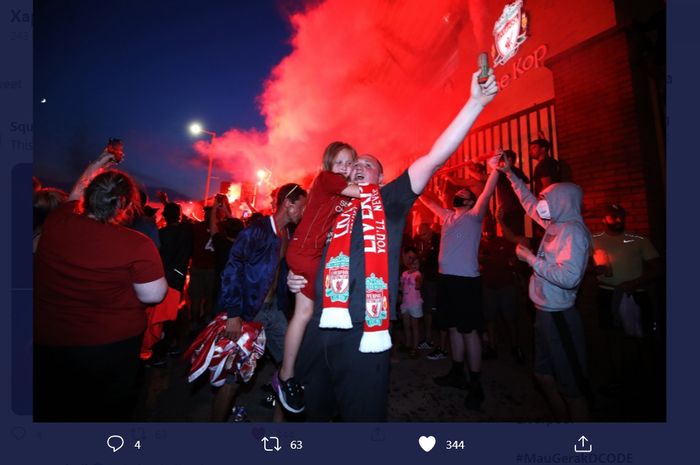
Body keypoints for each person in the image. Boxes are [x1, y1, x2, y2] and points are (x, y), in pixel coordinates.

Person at [287, 66, 499, 421]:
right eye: (355, 165)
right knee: (312, 420)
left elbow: (433, 158)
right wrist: (298, 278)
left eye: (366, 165)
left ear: (381, 177)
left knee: (362, 423)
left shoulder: (390, 200)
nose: (358, 168)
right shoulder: (333, 207)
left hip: (363, 332)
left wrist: (475, 104)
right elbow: (309, 252)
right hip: (318, 328)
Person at [34, 152, 167, 421]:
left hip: (50, 341)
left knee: (55, 408)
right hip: (109, 348)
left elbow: (72, 197)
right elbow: (153, 294)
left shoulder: (58, 220)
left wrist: (93, 166)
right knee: (105, 412)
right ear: (123, 205)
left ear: (89, 196)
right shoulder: (137, 244)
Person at [498, 155, 592, 421]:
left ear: (563, 202)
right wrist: (509, 174)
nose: (542, 205)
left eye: (547, 200)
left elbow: (570, 277)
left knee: (572, 387)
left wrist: (530, 260)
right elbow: (528, 203)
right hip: (543, 312)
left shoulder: (573, 231)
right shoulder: (555, 225)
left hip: (560, 315)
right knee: (543, 375)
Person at [210, 183, 308, 421]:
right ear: (289, 204)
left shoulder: (289, 234)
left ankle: (277, 431)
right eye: (303, 206)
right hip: (248, 313)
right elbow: (232, 270)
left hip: (274, 311)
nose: (305, 211)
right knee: (233, 379)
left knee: (291, 368)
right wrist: (233, 313)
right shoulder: (256, 231)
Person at [274, 141, 360, 413]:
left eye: (350, 162)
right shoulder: (327, 179)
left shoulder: (340, 195)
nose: (345, 167)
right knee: (306, 314)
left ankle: (287, 375)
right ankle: (286, 376)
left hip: (310, 255)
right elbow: (362, 193)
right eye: (340, 162)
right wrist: (382, 186)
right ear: (328, 164)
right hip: (304, 253)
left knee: (306, 314)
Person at [418, 151, 501, 410]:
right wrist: (419, 178)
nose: (457, 194)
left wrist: (495, 168)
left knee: (469, 332)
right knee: (452, 328)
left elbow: (487, 191)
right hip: (447, 281)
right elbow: (425, 199)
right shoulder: (447, 216)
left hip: (466, 282)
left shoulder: (475, 216)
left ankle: (475, 383)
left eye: (462, 194)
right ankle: (457, 372)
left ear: (469, 200)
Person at [591, 203, 661, 393]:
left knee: (640, 336)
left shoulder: (638, 239)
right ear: (604, 219)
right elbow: (581, 267)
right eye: (614, 216)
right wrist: (593, 270)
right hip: (607, 292)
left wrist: (636, 282)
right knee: (611, 337)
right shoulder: (593, 239)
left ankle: (645, 378)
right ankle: (616, 377)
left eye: (621, 216)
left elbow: (657, 267)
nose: (619, 219)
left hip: (635, 293)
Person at [495, 149, 529, 236]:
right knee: (517, 236)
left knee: (510, 237)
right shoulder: (517, 171)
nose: (499, 161)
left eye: (501, 159)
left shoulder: (504, 171)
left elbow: (482, 178)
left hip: (509, 210)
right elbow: (526, 181)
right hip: (516, 208)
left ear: (509, 159)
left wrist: (470, 169)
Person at [400, 247, 423, 358]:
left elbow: (419, 281)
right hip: (405, 303)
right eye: (413, 264)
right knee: (406, 326)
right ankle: (408, 345)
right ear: (409, 264)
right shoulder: (404, 274)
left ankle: (415, 348)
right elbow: (401, 287)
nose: (415, 266)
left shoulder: (417, 274)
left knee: (415, 327)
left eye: (417, 264)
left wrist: (418, 283)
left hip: (415, 304)